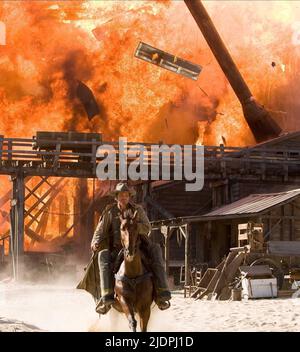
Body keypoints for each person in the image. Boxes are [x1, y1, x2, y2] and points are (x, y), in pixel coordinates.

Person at [91, 182, 171, 314]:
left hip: (137, 246)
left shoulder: (137, 210)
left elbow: (147, 227)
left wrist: (132, 227)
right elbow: (100, 231)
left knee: (156, 250)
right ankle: (106, 297)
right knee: (102, 256)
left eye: (126, 195)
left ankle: (162, 293)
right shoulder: (110, 211)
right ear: (116, 197)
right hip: (116, 248)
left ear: (129, 197)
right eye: (121, 195)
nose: (124, 197)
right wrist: (95, 242)